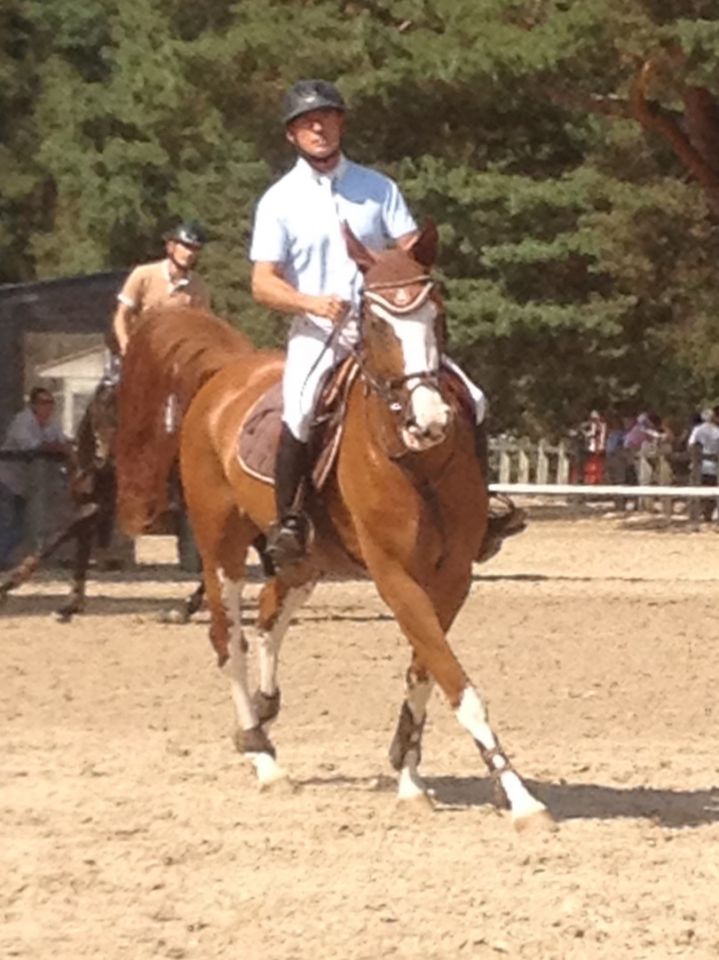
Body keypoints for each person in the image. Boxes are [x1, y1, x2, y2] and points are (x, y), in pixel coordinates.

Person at [249, 78, 524, 566]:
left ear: (341, 124)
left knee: (473, 398)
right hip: (322, 332)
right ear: (291, 135)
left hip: (389, 327)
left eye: (327, 117)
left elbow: (409, 248)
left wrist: (415, 274)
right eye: (307, 122)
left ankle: (481, 507)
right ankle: (289, 521)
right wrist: (310, 303)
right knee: (301, 407)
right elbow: (262, 282)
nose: (319, 127)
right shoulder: (279, 200)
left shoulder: (378, 187)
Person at [110, 220, 211, 361]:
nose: (190, 253)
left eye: (195, 249)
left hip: (176, 357)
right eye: (186, 246)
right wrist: (125, 345)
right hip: (140, 352)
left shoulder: (198, 286)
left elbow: (202, 327)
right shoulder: (143, 275)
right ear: (171, 247)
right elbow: (121, 315)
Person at [0, 387, 72, 567]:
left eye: (50, 403)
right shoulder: (22, 421)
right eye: (43, 402)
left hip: (31, 486)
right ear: (33, 405)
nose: (48, 407)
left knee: (22, 526)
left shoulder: (52, 423)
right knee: (10, 524)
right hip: (8, 481)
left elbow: (62, 444)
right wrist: (54, 447)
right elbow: (31, 447)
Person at [687, 406, 719, 521]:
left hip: (697, 466)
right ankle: (707, 516)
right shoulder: (717, 431)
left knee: (695, 492)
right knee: (710, 493)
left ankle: (694, 517)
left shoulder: (697, 430)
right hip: (713, 467)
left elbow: (691, 445)